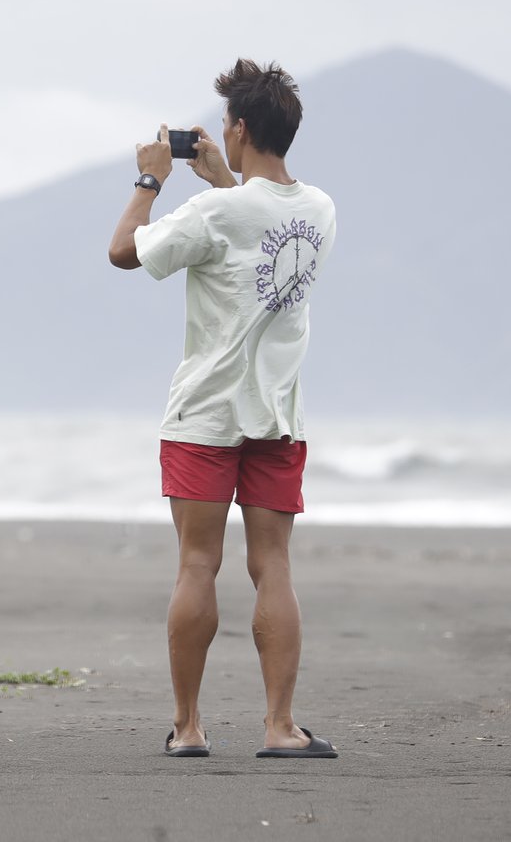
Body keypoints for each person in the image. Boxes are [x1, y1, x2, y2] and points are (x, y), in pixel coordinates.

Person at [108, 59, 338, 759]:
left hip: (205, 414)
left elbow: (124, 251)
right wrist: (223, 180)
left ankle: (188, 726)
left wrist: (152, 178)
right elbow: (256, 226)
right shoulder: (320, 208)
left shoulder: (216, 211)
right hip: (277, 415)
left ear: (236, 129)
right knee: (273, 567)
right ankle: (280, 726)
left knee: (196, 565)